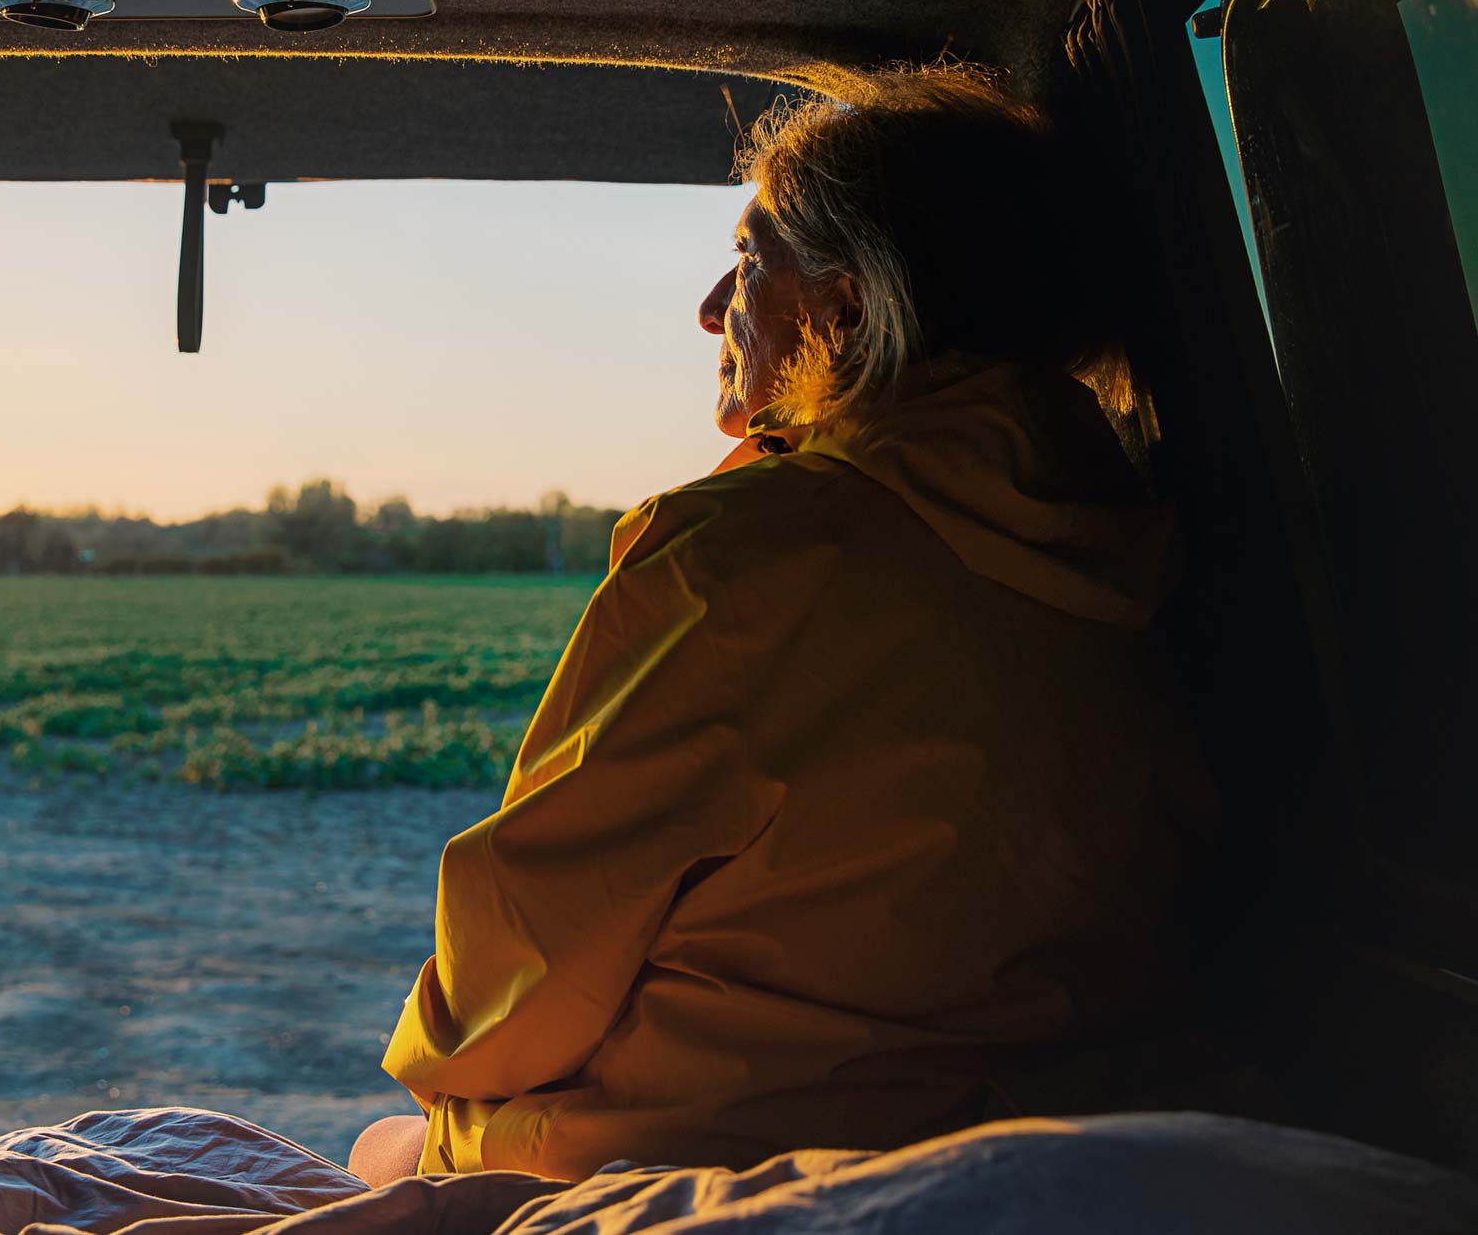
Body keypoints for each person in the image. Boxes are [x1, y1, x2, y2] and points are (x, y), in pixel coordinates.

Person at [348, 66, 1214, 1185]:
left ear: (851, 308)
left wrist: (445, 1091)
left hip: (700, 1150)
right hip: (1029, 1129)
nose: (713, 305)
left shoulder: (744, 557)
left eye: (754, 258)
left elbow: (533, 946)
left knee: (384, 1147)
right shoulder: (1127, 544)